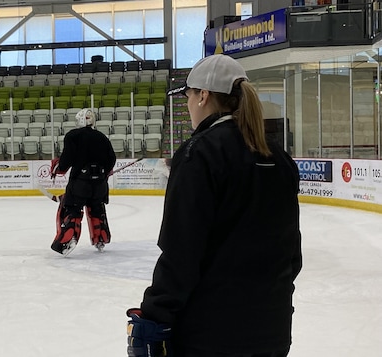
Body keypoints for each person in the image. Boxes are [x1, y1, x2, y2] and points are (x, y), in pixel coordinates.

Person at [126, 54, 302, 357]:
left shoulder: (200, 152)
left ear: (203, 96)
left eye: (189, 96)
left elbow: (181, 251)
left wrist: (155, 314)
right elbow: (291, 254)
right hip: (272, 328)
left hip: (209, 335)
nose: (188, 104)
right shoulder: (277, 156)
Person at [50, 108, 117, 256]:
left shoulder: (73, 136)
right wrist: (105, 171)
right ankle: (101, 238)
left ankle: (67, 240)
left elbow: (67, 159)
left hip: (80, 182)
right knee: (97, 209)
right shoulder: (102, 137)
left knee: (72, 209)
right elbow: (111, 159)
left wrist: (58, 168)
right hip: (99, 184)